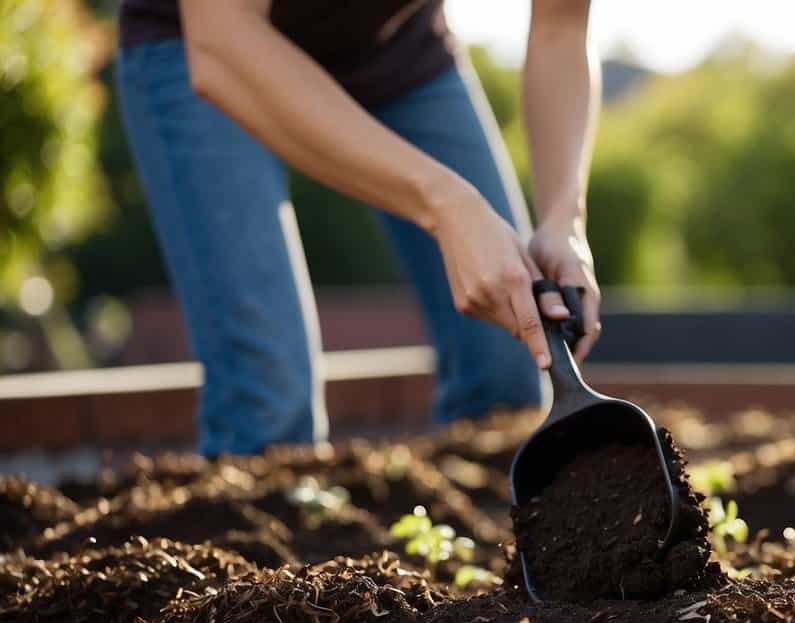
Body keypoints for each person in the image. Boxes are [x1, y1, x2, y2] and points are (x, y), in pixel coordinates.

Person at [116, 0, 602, 456]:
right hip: (209, 42)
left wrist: (564, 218)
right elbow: (221, 39)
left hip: (394, 47)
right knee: (267, 398)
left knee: (508, 362)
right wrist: (448, 205)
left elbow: (560, 31)